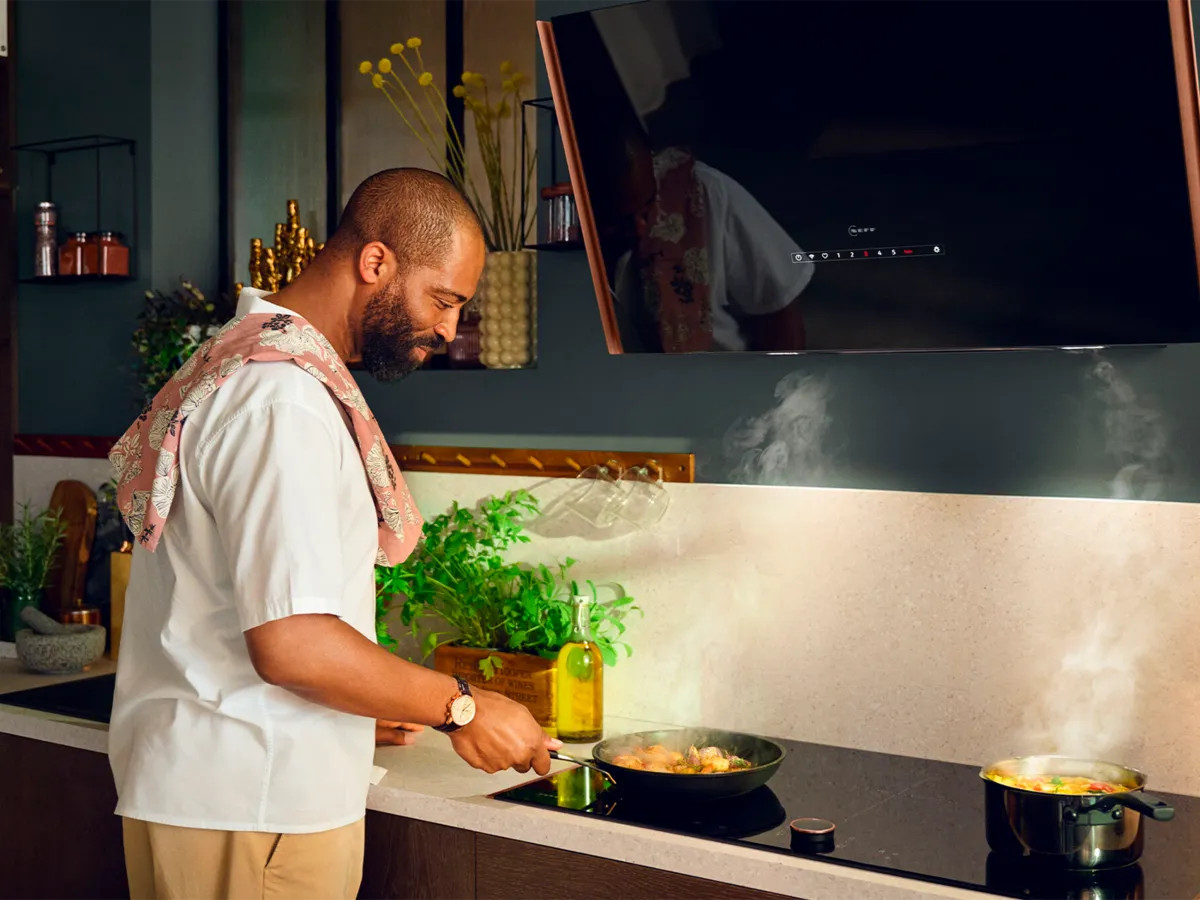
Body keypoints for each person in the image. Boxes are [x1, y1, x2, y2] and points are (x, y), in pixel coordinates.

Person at [107, 168, 559, 900]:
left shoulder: (244, 362)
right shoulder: (283, 403)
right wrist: (464, 705)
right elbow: (293, 643)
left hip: (227, 794)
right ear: (375, 262)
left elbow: (247, 611)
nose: (449, 329)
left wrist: (370, 701)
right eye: (443, 298)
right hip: (254, 803)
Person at [586, 115, 814, 353]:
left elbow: (778, 311)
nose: (640, 228)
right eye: (615, 221)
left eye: (647, 207)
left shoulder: (705, 194)